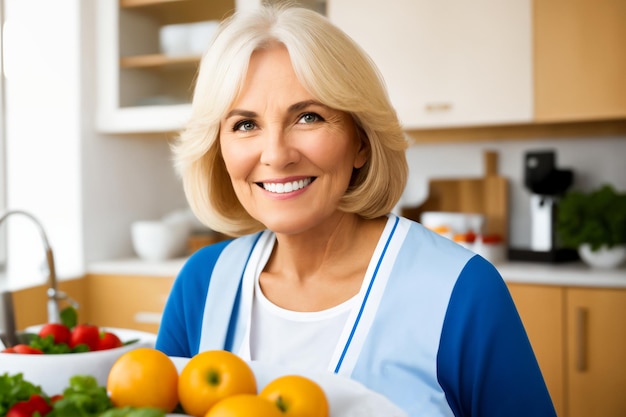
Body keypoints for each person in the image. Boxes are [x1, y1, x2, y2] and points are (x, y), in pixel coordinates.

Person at [155, 4, 556, 417]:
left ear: (360, 141)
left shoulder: (462, 290)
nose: (276, 155)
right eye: (244, 124)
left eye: (308, 117)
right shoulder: (201, 285)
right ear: (218, 148)